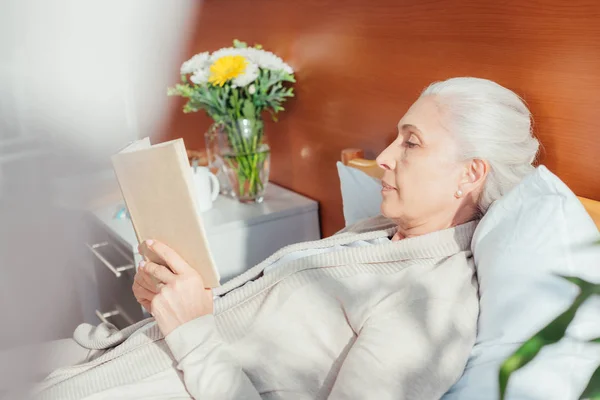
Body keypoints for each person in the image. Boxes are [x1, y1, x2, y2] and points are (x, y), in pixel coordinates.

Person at [31, 77, 539, 400]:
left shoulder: (432, 308)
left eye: (411, 142)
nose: (383, 158)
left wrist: (190, 331)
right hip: (113, 356)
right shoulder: (378, 234)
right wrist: (174, 303)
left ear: (470, 174)